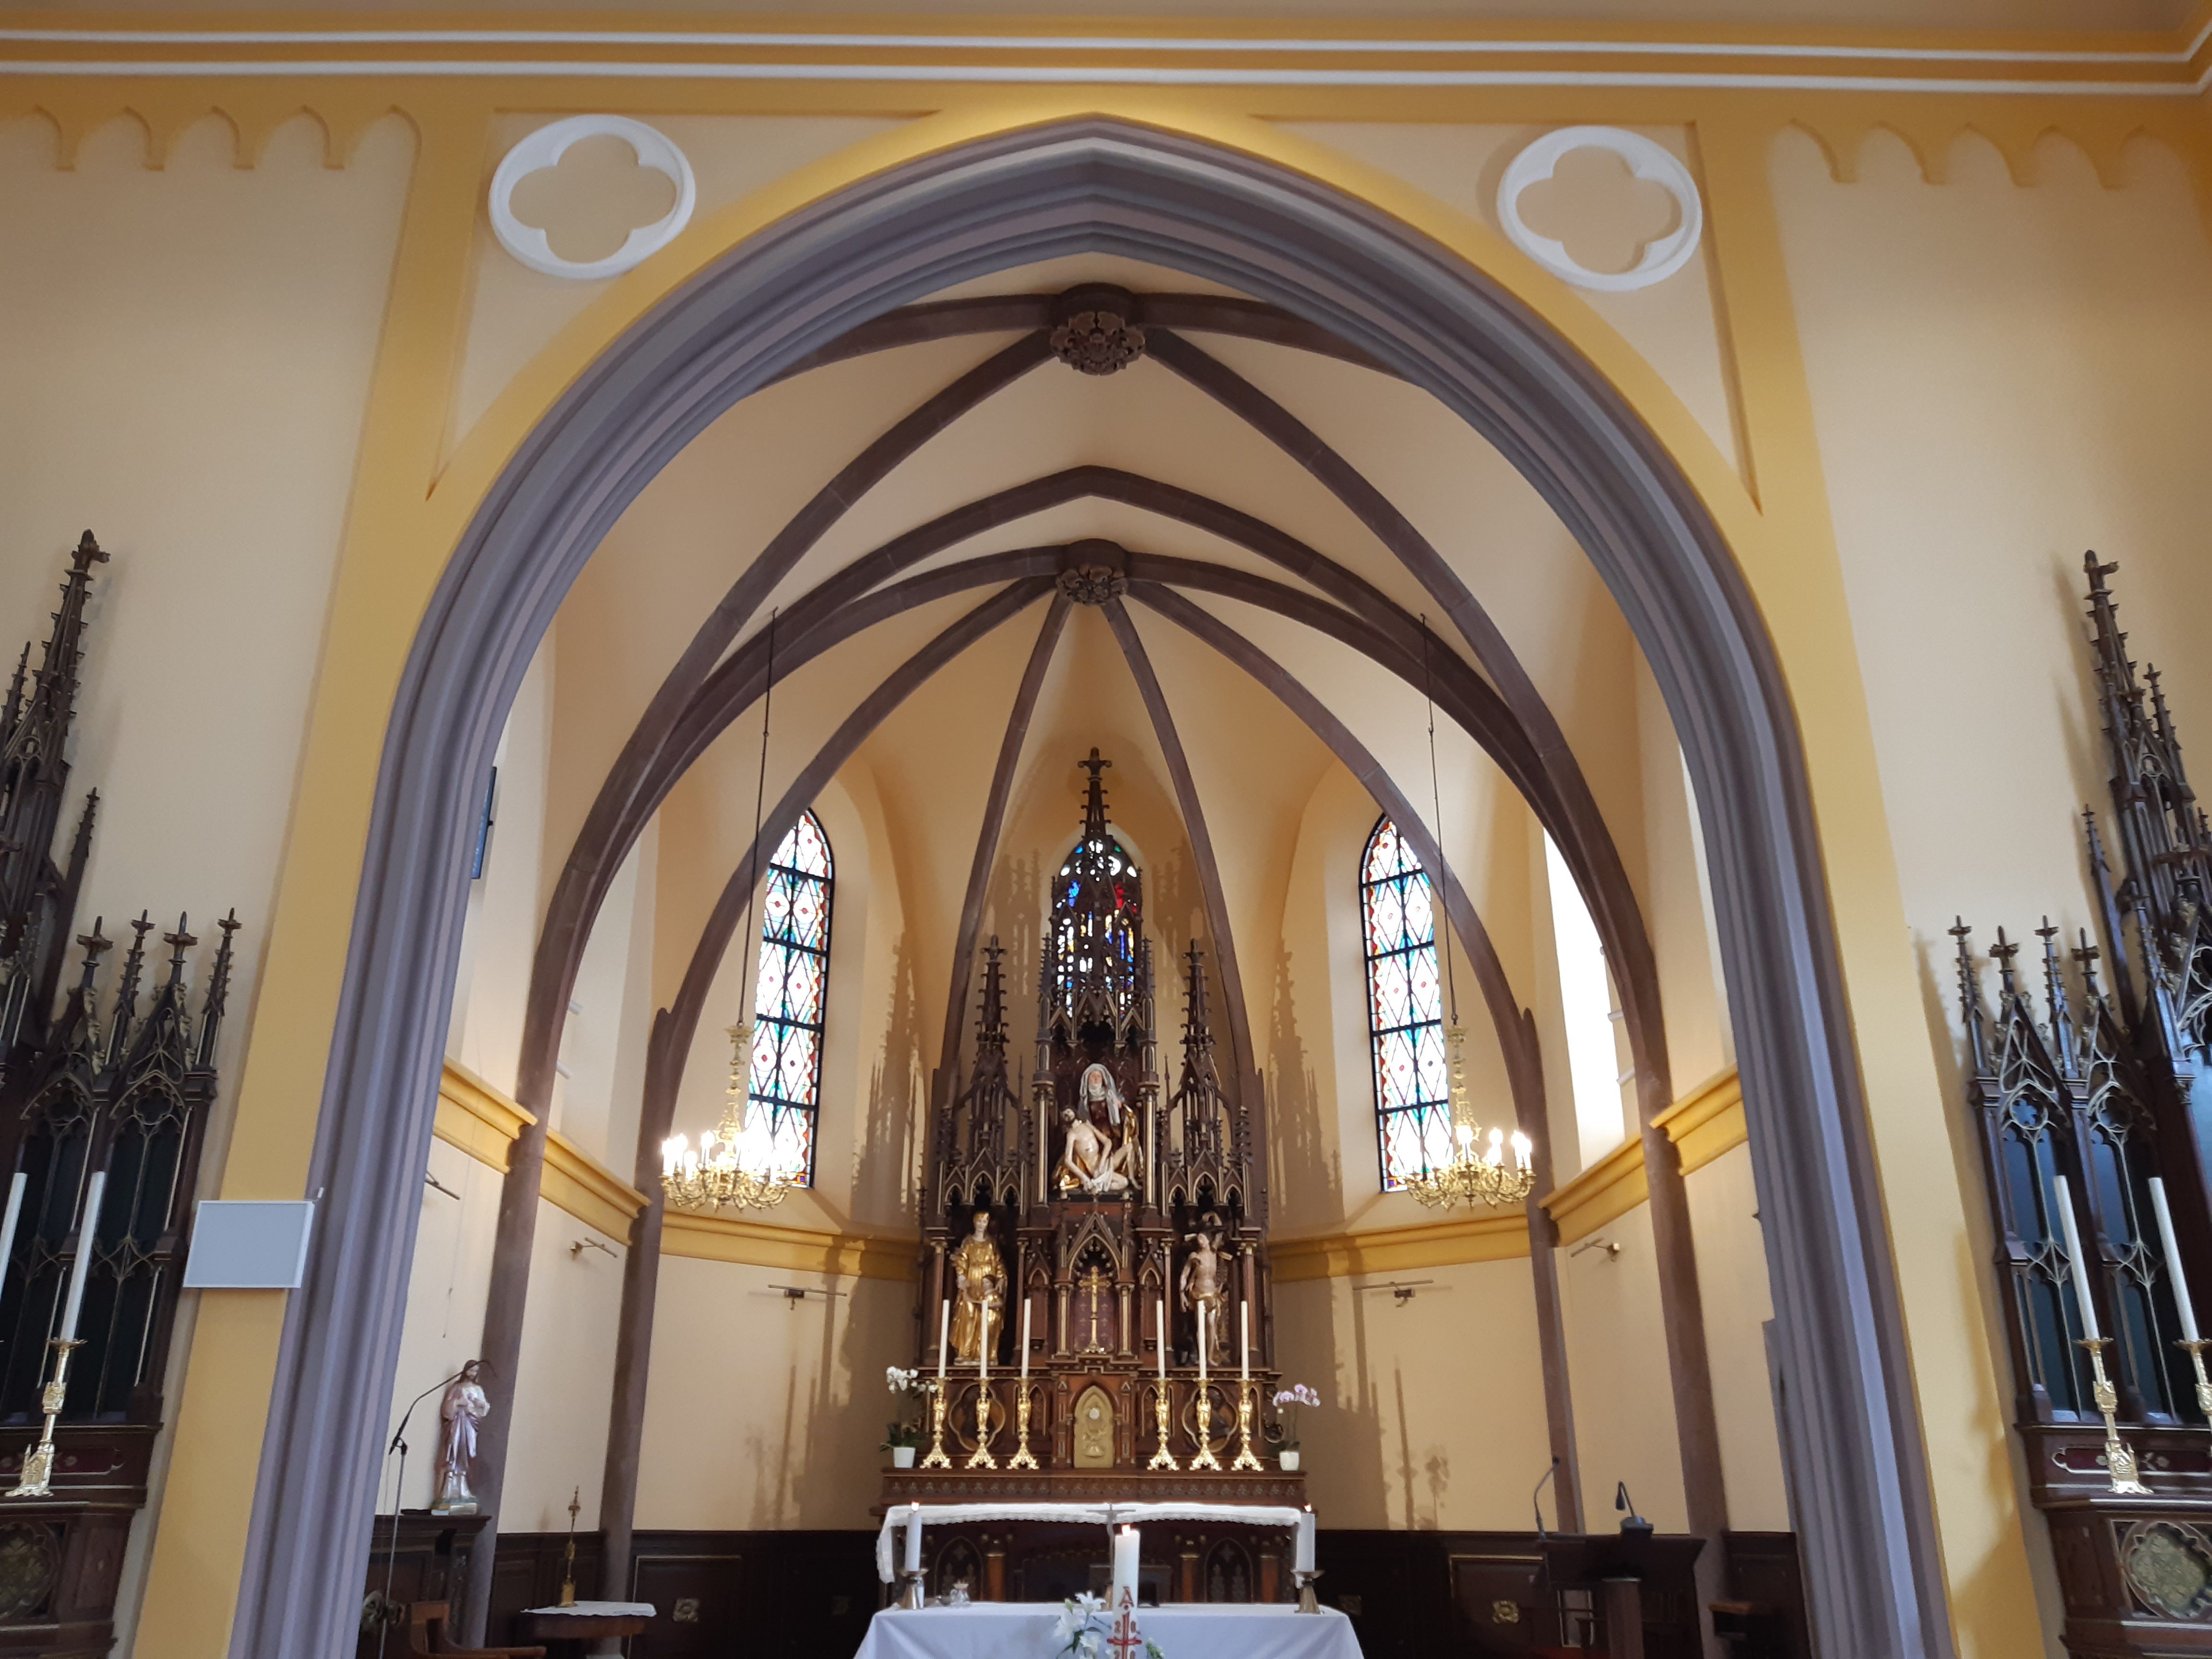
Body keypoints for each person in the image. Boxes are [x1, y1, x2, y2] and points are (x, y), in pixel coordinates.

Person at [432, 1359, 491, 1515]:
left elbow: (484, 1409)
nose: (473, 1373)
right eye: (471, 1370)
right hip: (457, 1424)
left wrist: (479, 1404)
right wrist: (458, 1402)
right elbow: (447, 1409)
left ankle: (463, 1489)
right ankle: (448, 1490)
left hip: (470, 1426)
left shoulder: (478, 1389)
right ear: (466, 1370)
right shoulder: (456, 1388)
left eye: (476, 1371)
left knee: (467, 1455)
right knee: (454, 1454)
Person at [949, 1210, 1006, 1365]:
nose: (982, 1225)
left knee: (987, 1316)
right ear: (975, 1223)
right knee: (968, 1313)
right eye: (979, 1221)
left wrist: (1001, 1277)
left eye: (984, 1222)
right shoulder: (968, 1241)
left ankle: (983, 1354)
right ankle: (966, 1352)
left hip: (988, 1281)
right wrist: (961, 1275)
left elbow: (998, 1261)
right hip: (972, 1280)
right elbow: (962, 1259)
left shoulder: (991, 1243)